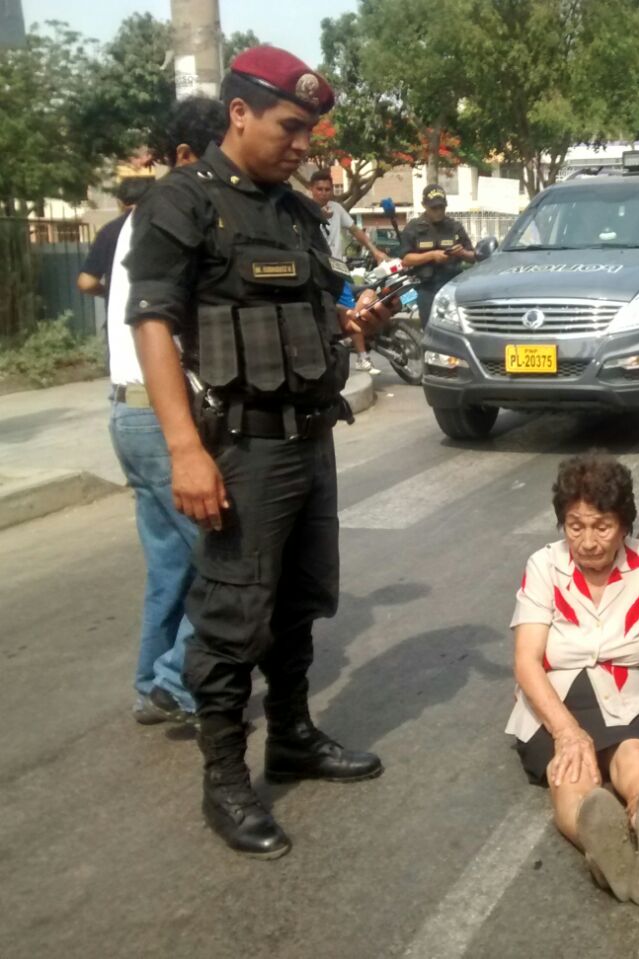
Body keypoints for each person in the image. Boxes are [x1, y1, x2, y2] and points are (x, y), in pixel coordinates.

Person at [125, 46, 394, 859]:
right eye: (290, 125)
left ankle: (292, 735)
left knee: (299, 602)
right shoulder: (183, 202)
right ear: (238, 112)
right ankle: (224, 777)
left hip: (311, 439)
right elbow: (154, 324)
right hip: (239, 446)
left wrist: (350, 329)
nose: (303, 143)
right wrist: (184, 449)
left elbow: (295, 312)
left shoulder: (295, 211)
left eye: (310, 129)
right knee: (231, 615)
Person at [509, 454, 639, 908]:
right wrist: (568, 732)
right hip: (559, 700)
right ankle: (605, 845)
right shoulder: (544, 566)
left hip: (634, 694)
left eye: (602, 527)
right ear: (562, 524)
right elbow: (528, 661)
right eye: (576, 527)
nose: (588, 541)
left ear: (625, 524)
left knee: (638, 760)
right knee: (576, 779)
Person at [108, 96, 229, 727]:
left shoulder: (138, 219)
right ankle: (177, 683)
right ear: (186, 157)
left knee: (170, 565)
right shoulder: (174, 216)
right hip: (161, 416)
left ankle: (150, 682)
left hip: (127, 413)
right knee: (222, 563)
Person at [308, 170, 388, 372]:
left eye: (328, 189)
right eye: (319, 189)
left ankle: (363, 357)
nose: (324, 193)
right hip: (314, 272)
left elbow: (356, 231)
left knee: (350, 313)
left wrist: (375, 251)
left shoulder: (337, 209)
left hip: (338, 271)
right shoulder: (304, 209)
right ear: (312, 190)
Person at [398, 183, 475, 325]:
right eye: (434, 208)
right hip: (427, 288)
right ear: (424, 205)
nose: (439, 211)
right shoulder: (414, 228)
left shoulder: (454, 226)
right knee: (430, 329)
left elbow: (473, 257)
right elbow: (406, 260)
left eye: (442, 207)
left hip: (453, 287)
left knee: (456, 328)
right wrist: (432, 255)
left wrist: (462, 253)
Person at [78, 177, 154, 308]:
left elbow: (86, 282)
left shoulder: (109, 232)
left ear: (119, 203)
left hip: (118, 317)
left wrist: (107, 293)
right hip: (159, 313)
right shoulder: (162, 227)